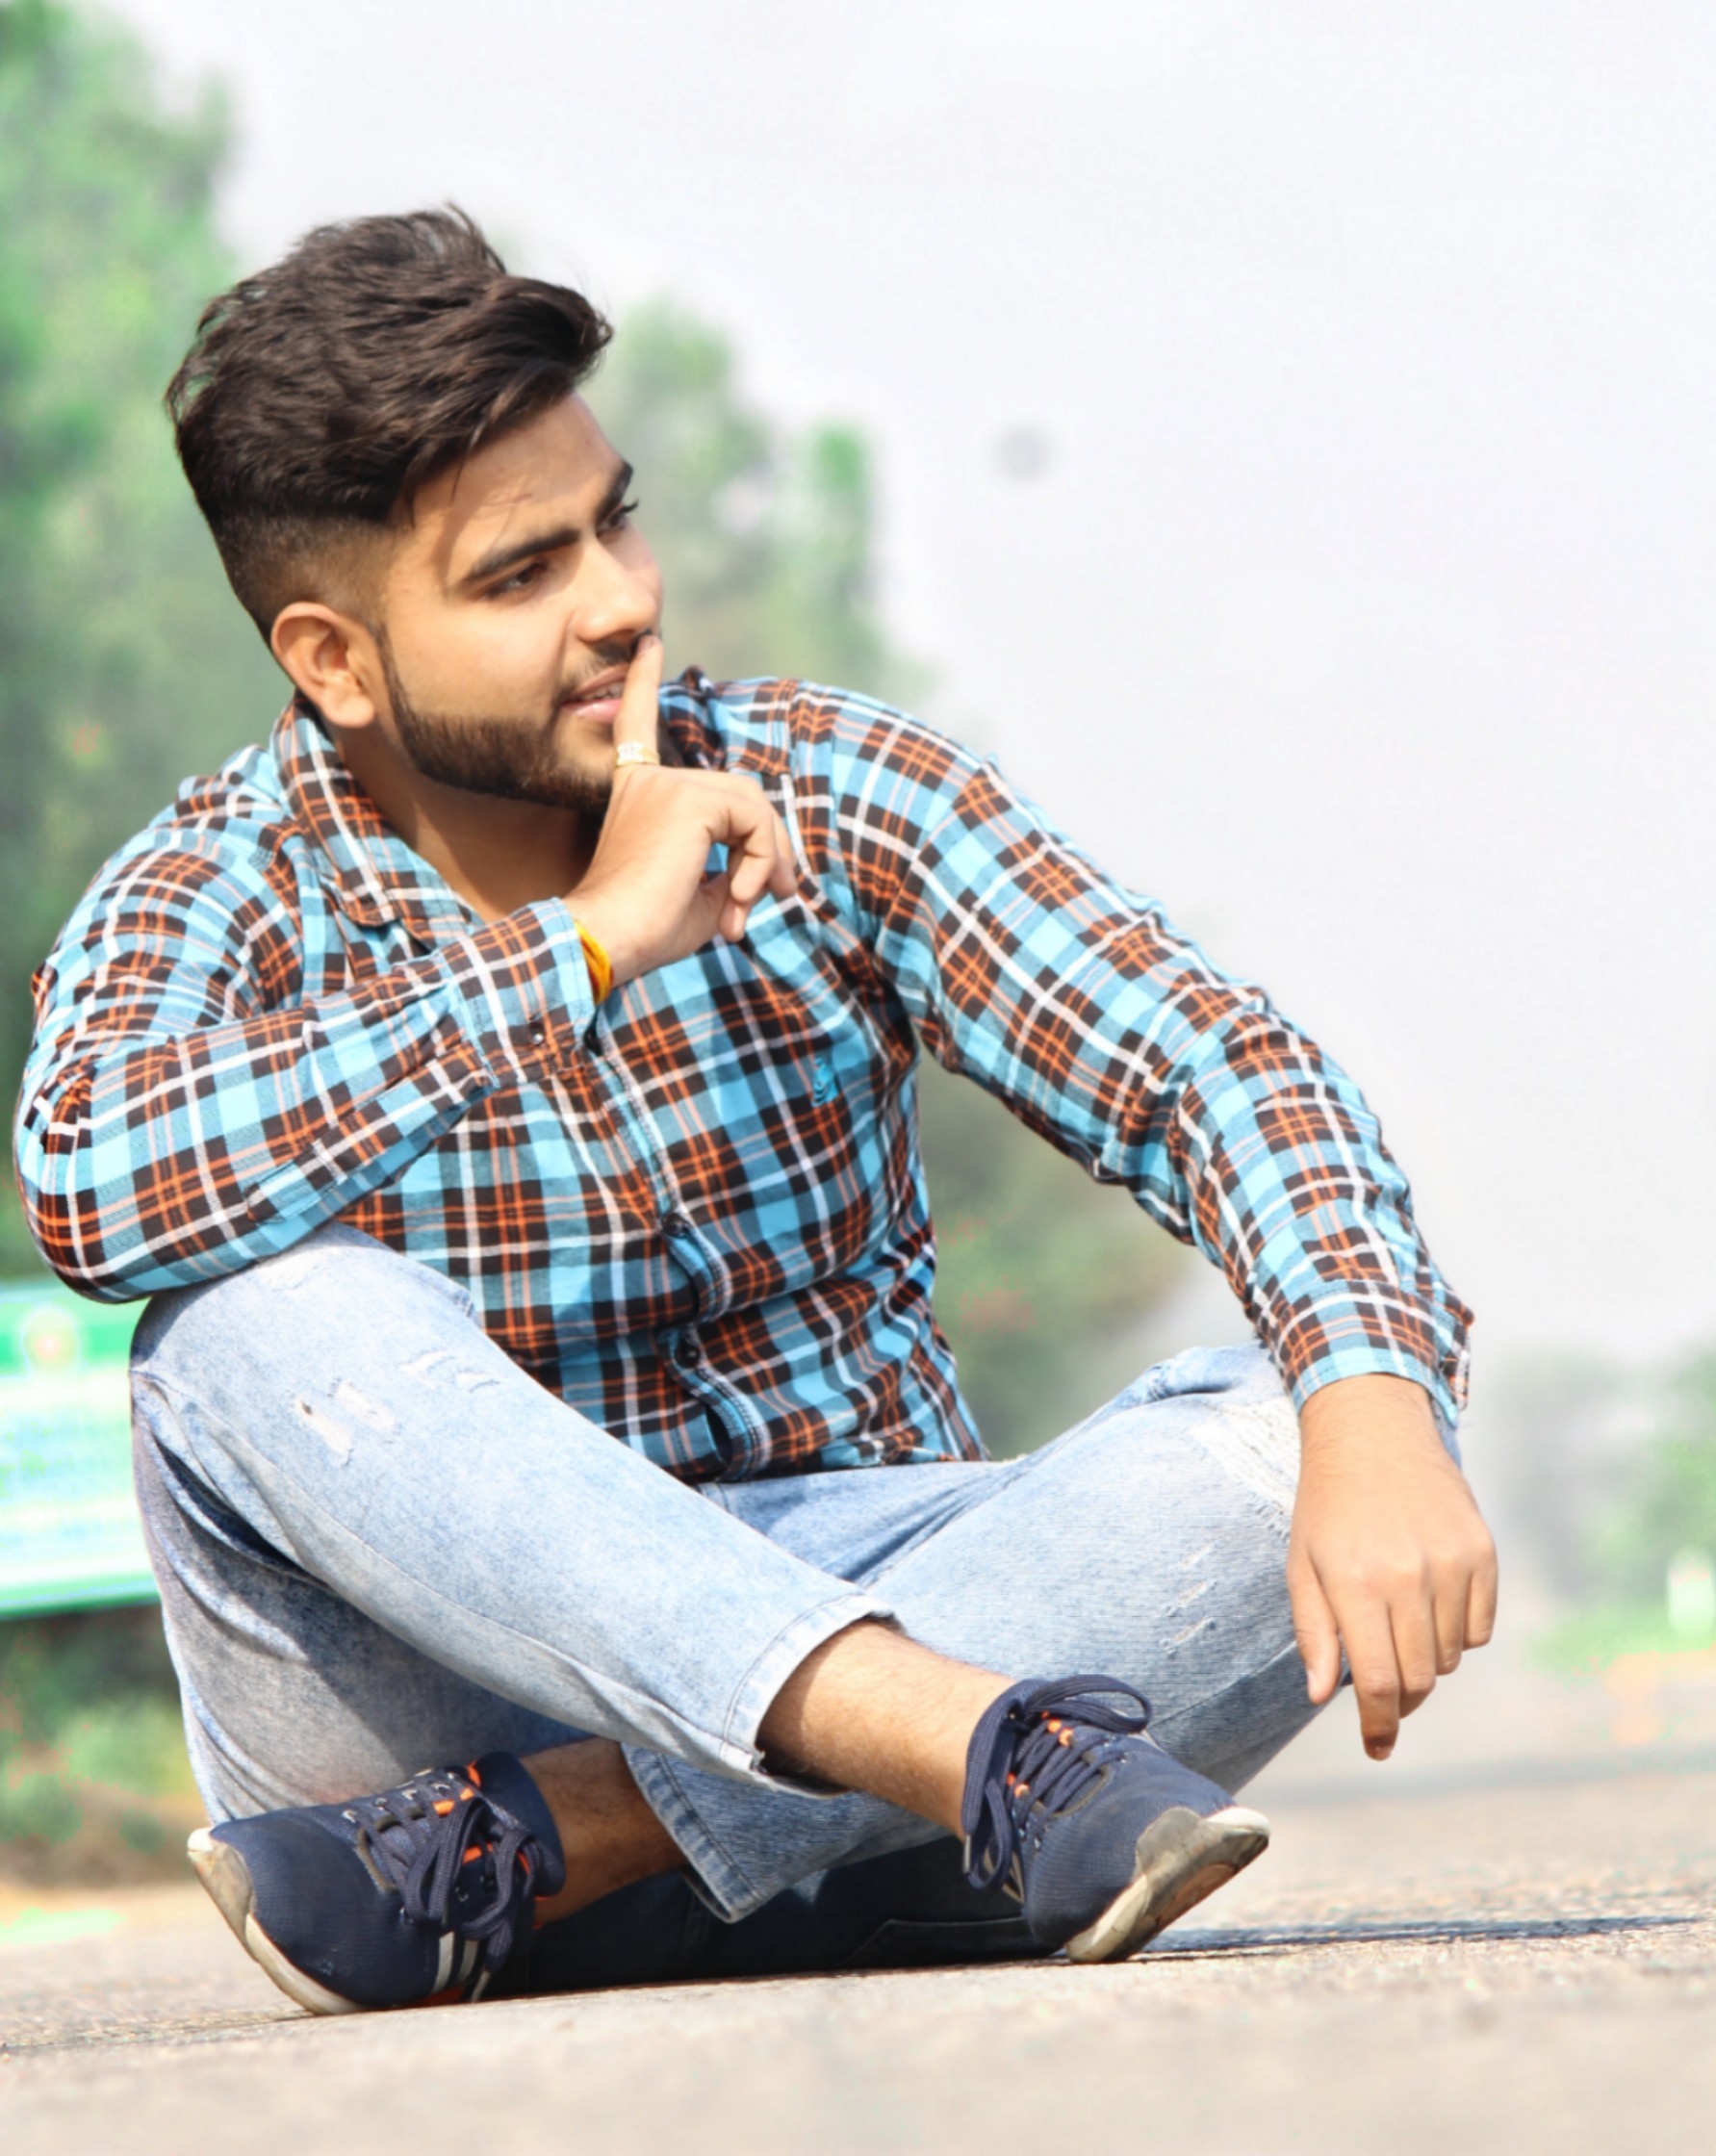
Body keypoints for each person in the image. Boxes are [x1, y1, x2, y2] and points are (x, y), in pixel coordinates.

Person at [13, 209, 1495, 2015]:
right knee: (238, 1325)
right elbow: (87, 1181)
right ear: (335, 662)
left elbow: (1208, 1063)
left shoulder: (826, 780)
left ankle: (608, 1828)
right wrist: (575, 951)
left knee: (1314, 1410)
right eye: (520, 575)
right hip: (437, 1735)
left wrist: (1363, 1392)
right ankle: (945, 1741)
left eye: (612, 521)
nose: (619, 600)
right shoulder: (218, 889)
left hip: (535, 1863)